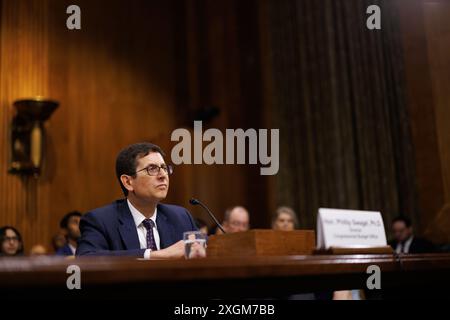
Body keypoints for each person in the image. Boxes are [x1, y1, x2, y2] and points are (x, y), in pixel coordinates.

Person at [77, 142, 197, 259]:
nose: (163, 175)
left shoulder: (181, 217)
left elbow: (205, 248)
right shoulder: (101, 220)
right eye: (152, 169)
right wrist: (152, 255)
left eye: (164, 168)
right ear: (128, 182)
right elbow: (86, 258)